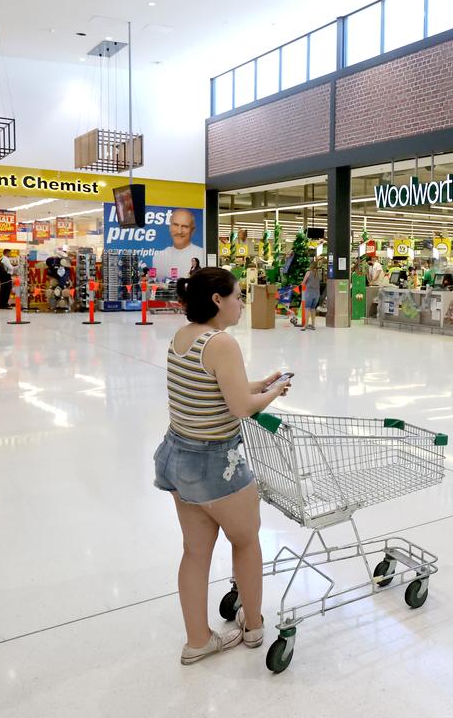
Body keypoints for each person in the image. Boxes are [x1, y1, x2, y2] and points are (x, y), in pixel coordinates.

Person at [153, 268, 291, 665]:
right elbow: (241, 408)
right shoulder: (222, 343)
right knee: (246, 541)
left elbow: (217, 388)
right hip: (216, 463)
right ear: (218, 300)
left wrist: (260, 382)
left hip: (178, 457)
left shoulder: (183, 337)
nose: (243, 304)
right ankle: (253, 627)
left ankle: (198, 641)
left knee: (195, 553)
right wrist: (275, 393)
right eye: (238, 297)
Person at [153, 209, 206, 281]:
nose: (179, 231)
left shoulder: (202, 255)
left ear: (192, 230)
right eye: (175, 225)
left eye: (185, 226)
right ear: (170, 227)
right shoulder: (158, 257)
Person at [300, 260, 321, 330]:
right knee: (313, 309)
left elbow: (303, 283)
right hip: (317, 293)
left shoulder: (308, 273)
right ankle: (313, 325)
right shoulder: (318, 274)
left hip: (309, 293)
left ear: (310, 266)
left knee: (307, 309)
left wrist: (303, 283)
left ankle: (305, 325)